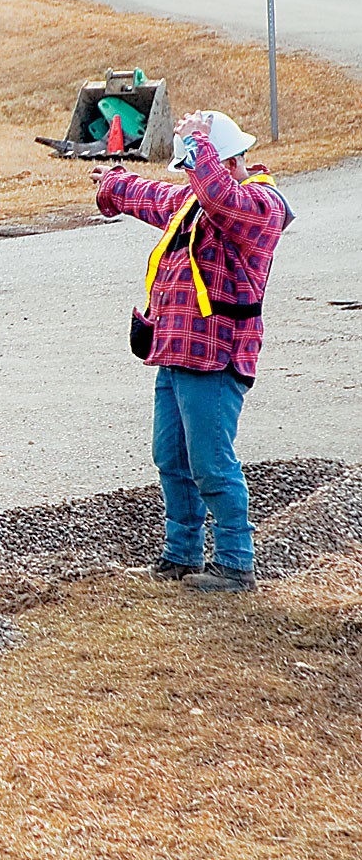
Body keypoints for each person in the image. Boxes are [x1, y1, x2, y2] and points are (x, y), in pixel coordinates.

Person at [91, 110, 292, 592]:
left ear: (222, 160)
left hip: (216, 357)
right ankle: (180, 556)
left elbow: (220, 198)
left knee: (211, 462)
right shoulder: (197, 198)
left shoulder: (260, 206)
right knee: (172, 457)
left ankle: (235, 563)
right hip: (178, 352)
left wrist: (194, 142)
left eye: (194, 162)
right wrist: (114, 183)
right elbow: (156, 196)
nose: (187, 174)